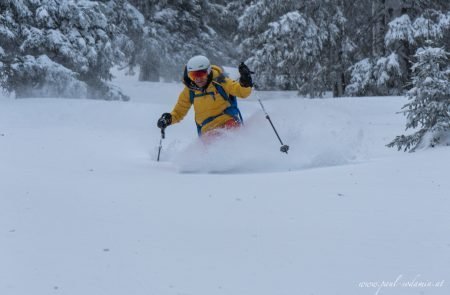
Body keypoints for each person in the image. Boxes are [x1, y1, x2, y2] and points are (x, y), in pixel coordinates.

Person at [157, 55, 254, 136]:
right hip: (207, 131)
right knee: (210, 147)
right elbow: (179, 112)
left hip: (227, 122)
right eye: (193, 76)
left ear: (208, 72)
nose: (198, 79)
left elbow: (241, 92)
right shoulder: (190, 90)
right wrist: (168, 119)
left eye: (201, 75)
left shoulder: (220, 81)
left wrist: (245, 82)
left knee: (226, 140)